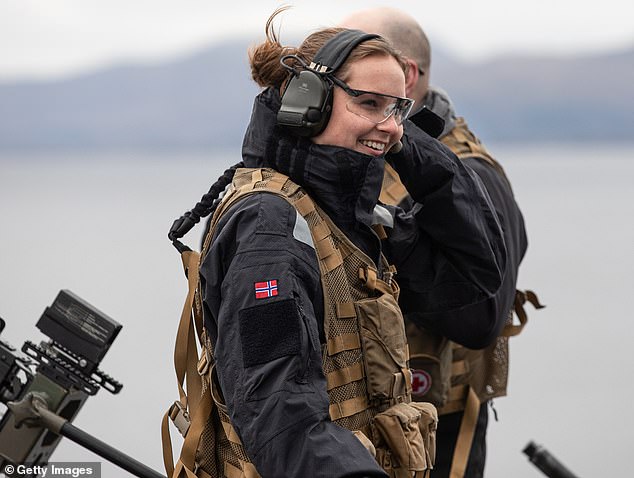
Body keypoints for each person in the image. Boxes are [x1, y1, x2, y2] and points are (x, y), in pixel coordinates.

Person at [166, 8, 506, 478]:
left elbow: (475, 279)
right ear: (309, 104)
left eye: (397, 107)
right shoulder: (270, 228)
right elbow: (280, 414)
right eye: (368, 103)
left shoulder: (353, 218)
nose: (388, 124)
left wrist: (397, 139)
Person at [341, 7, 529, 478]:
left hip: (437, 427)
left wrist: (399, 243)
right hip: (373, 420)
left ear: (405, 74)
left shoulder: (473, 175)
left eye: (356, 56)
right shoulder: (370, 156)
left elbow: (483, 313)